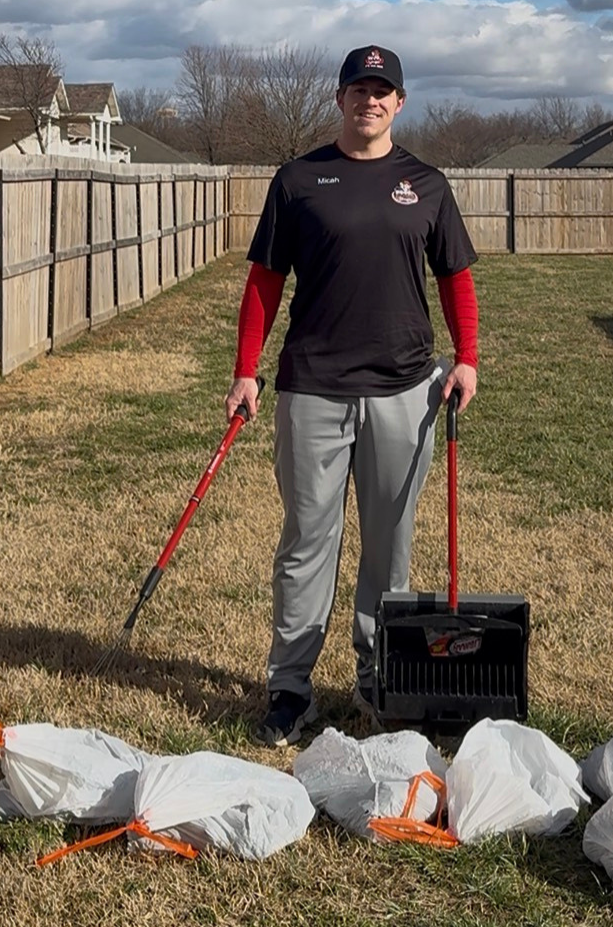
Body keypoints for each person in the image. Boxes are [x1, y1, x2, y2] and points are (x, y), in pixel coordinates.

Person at [225, 44, 479, 747]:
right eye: (358, 88)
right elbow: (264, 281)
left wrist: (468, 360)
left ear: (400, 103)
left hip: (406, 391)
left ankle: (377, 678)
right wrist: (247, 370)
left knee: (389, 546)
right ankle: (290, 687)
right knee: (307, 541)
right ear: (338, 99)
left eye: (382, 90)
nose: (370, 100)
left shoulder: (425, 184)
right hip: (312, 388)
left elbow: (456, 277)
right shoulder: (299, 180)